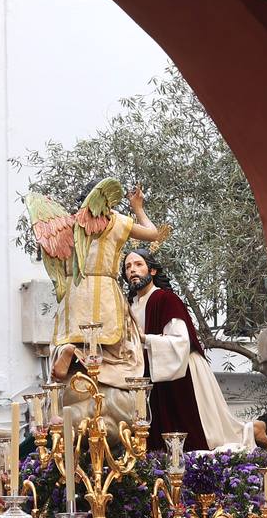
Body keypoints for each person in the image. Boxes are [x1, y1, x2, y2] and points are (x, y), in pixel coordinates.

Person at [26, 179, 169, 430]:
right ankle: (106, 386)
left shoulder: (67, 225)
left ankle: (68, 352)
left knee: (66, 341)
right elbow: (153, 233)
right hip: (105, 293)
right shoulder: (115, 222)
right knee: (122, 350)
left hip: (74, 294)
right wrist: (137, 207)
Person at [124, 244, 260, 452]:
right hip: (153, 374)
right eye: (127, 267)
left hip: (182, 372)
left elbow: (180, 341)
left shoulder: (166, 299)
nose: (132, 270)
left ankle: (254, 430)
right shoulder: (131, 305)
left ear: (152, 270)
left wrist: (144, 339)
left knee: (206, 437)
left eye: (138, 264)